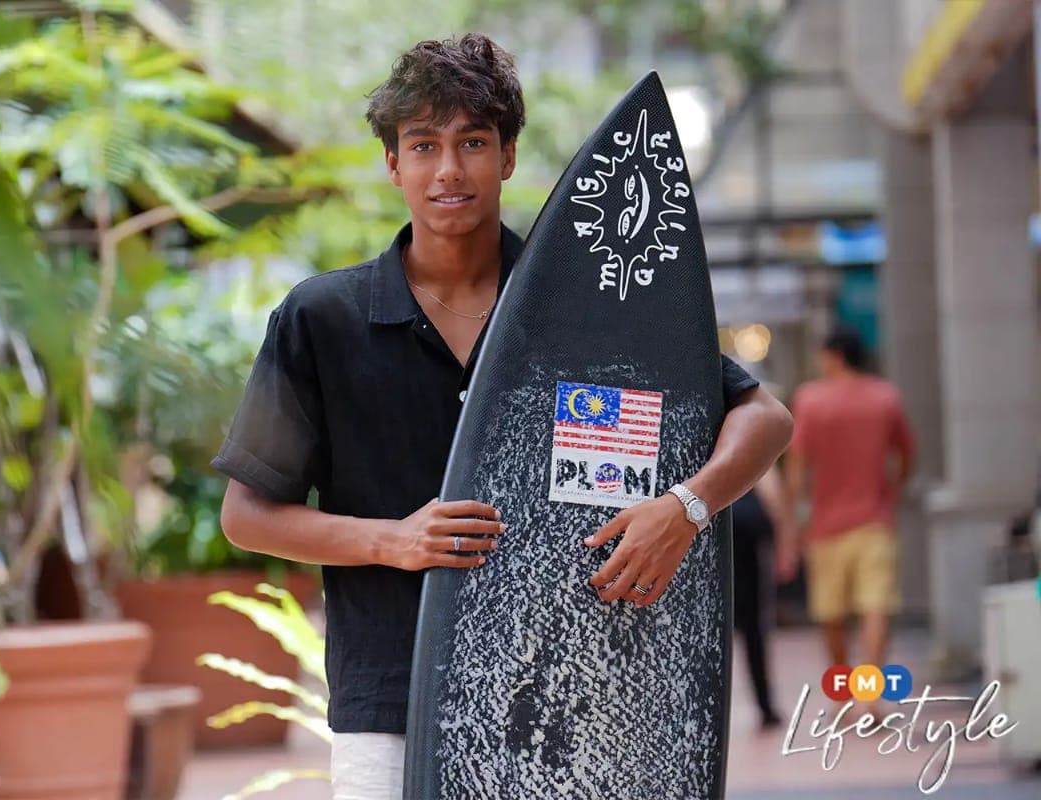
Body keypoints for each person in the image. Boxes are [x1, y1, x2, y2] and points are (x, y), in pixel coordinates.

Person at [212, 34, 793, 800]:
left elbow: (767, 418)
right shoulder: (324, 318)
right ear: (394, 164)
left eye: (472, 143)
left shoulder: (582, 314)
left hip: (573, 703)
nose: (448, 170)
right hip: (391, 707)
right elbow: (246, 515)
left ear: (508, 156)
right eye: (423, 145)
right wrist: (390, 539)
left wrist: (686, 506)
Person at [784, 326, 915, 687]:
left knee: (831, 612)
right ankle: (870, 693)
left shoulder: (810, 400)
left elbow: (797, 472)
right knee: (876, 606)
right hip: (876, 520)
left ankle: (843, 692)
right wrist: (892, 491)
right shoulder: (886, 397)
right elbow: (906, 456)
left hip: (825, 525)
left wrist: (793, 527)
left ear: (834, 355)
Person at [732, 467, 796, 729]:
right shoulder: (750, 442)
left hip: (717, 532)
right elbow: (773, 493)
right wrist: (785, 545)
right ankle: (765, 705)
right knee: (754, 628)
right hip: (749, 538)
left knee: (713, 631)